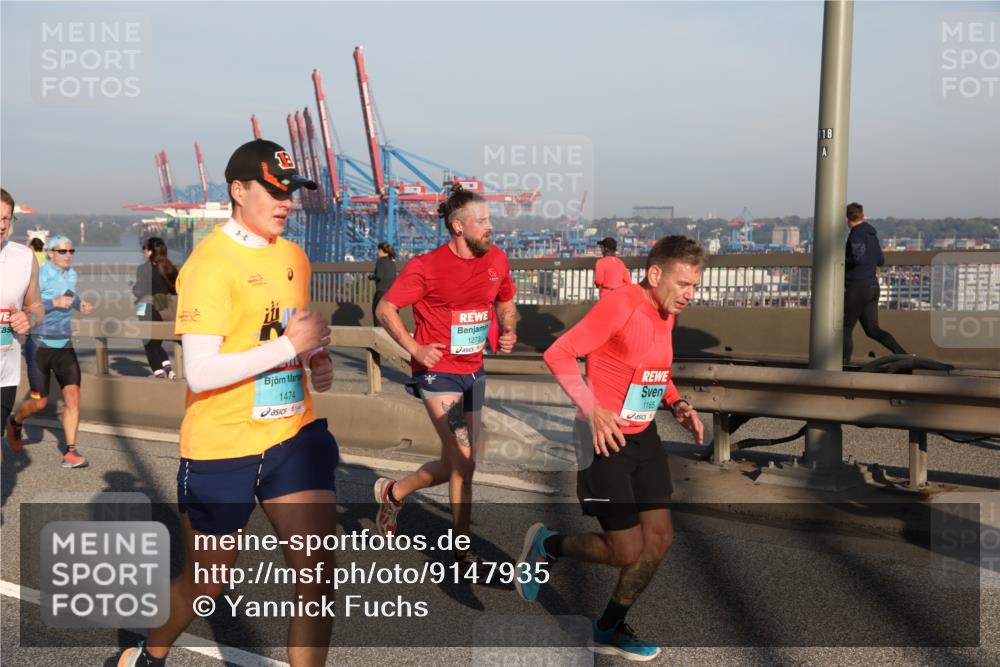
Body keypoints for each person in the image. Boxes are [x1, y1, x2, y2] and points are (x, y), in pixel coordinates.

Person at [116, 139, 339, 667]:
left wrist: (313, 358)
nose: (286, 203)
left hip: (291, 435)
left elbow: (287, 331)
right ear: (238, 190)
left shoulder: (294, 257)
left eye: (291, 193)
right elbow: (201, 371)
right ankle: (149, 653)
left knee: (318, 576)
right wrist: (290, 346)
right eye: (275, 191)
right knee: (208, 580)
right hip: (222, 444)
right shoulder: (209, 265)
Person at [518, 235, 706, 661]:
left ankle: (608, 628)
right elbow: (559, 353)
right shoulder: (621, 304)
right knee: (625, 550)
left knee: (659, 539)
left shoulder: (667, 312)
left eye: (694, 286)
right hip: (601, 437)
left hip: (643, 436)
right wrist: (592, 408)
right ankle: (548, 546)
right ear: (655, 274)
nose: (689, 295)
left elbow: (654, 369)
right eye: (682, 284)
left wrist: (677, 403)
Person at [373, 184, 517, 571]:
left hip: (473, 371)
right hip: (438, 375)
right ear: (458, 226)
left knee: (458, 463)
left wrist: (508, 327)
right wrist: (415, 349)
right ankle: (463, 552)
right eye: (481, 220)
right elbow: (385, 308)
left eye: (489, 219)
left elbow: (505, 298)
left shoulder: (497, 259)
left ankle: (394, 492)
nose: (490, 226)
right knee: (465, 459)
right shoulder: (427, 266)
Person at [6, 235, 93, 468]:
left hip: (64, 343)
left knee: (73, 396)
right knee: (40, 403)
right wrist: (53, 303)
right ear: (50, 253)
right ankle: (15, 421)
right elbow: (27, 308)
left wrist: (80, 304)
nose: (68, 255)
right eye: (62, 251)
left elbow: (70, 295)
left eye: (71, 251)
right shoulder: (40, 274)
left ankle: (71, 451)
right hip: (40, 344)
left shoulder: (71, 274)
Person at [1, 188, 44, 461]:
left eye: (6, 218)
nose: (2, 225)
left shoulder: (24, 258)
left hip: (4, 373)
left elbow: (36, 306)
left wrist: (29, 319)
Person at [843, 202, 907, 367]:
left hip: (857, 288)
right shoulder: (872, 234)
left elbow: (857, 258)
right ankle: (904, 355)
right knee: (873, 330)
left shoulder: (856, 234)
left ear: (846, 219)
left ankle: (842, 366)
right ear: (862, 216)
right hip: (872, 288)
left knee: (845, 329)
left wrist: (842, 261)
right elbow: (881, 260)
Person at [133, 236, 178, 379]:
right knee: (157, 339)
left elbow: (140, 291)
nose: (143, 251)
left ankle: (158, 371)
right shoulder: (170, 267)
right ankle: (167, 366)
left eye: (145, 248)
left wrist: (133, 288)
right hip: (166, 306)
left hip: (147, 305)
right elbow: (175, 289)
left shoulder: (144, 269)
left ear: (151, 251)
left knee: (148, 340)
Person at [368, 241, 397, 324]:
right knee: (391, 321)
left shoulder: (380, 261)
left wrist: (371, 276)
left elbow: (379, 276)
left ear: (381, 250)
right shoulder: (392, 263)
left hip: (381, 293)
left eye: (378, 250)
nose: (377, 252)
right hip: (392, 295)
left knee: (378, 319)